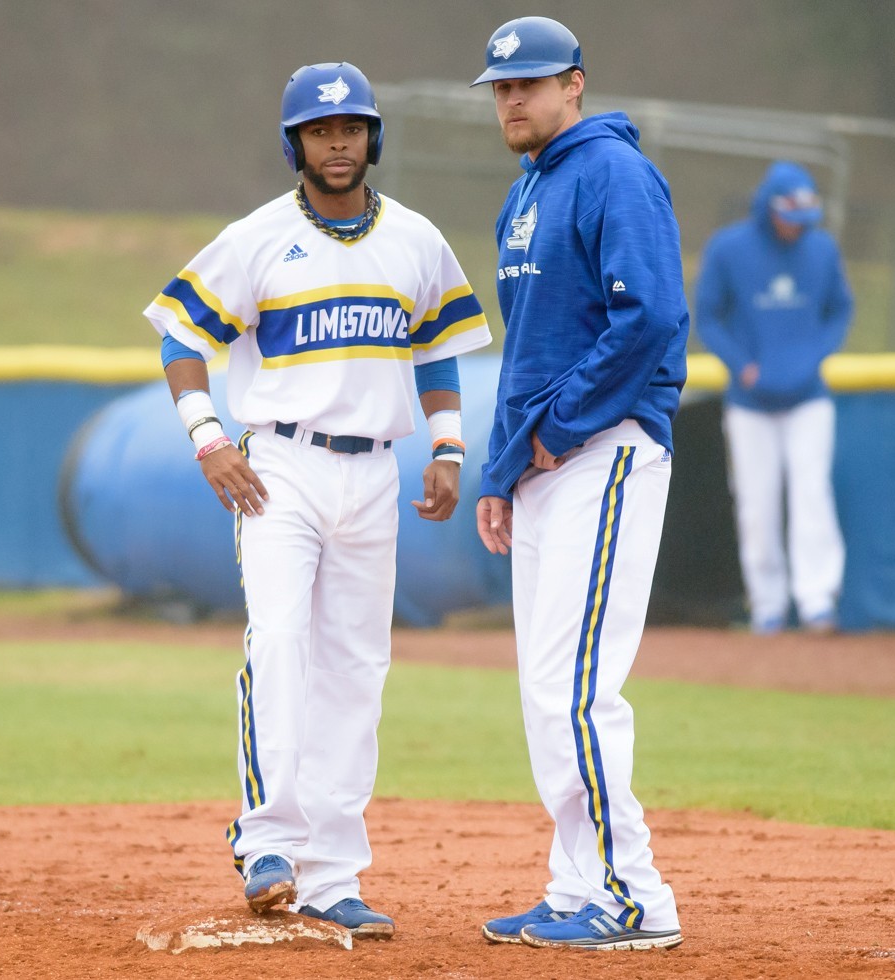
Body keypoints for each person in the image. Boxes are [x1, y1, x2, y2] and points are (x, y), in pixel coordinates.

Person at [141, 62, 491, 941]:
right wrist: (209, 438)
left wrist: (449, 448)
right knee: (279, 643)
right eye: (320, 131)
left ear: (374, 137)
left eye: (352, 129)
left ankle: (335, 873)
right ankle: (267, 843)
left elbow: (438, 349)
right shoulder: (257, 237)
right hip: (281, 468)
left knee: (357, 667)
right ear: (294, 143)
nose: (338, 144)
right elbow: (181, 337)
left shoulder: (415, 239)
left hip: (373, 472)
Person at [470, 15, 686, 952]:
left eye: (531, 82)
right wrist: (501, 467)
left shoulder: (613, 174)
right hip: (548, 468)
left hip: (606, 451)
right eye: (502, 87)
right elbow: (526, 350)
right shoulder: (527, 190)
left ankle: (634, 896)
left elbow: (649, 320)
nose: (513, 98)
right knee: (545, 689)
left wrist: (557, 431)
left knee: (576, 687)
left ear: (575, 85)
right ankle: (576, 887)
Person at [694, 161, 853, 635]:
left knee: (812, 493)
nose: (795, 228)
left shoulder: (822, 249)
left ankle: (817, 600)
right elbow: (708, 316)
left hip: (809, 398)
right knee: (756, 503)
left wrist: (814, 356)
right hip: (750, 403)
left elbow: (840, 309)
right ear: (769, 208)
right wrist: (740, 364)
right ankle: (767, 604)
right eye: (789, 218)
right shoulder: (728, 248)